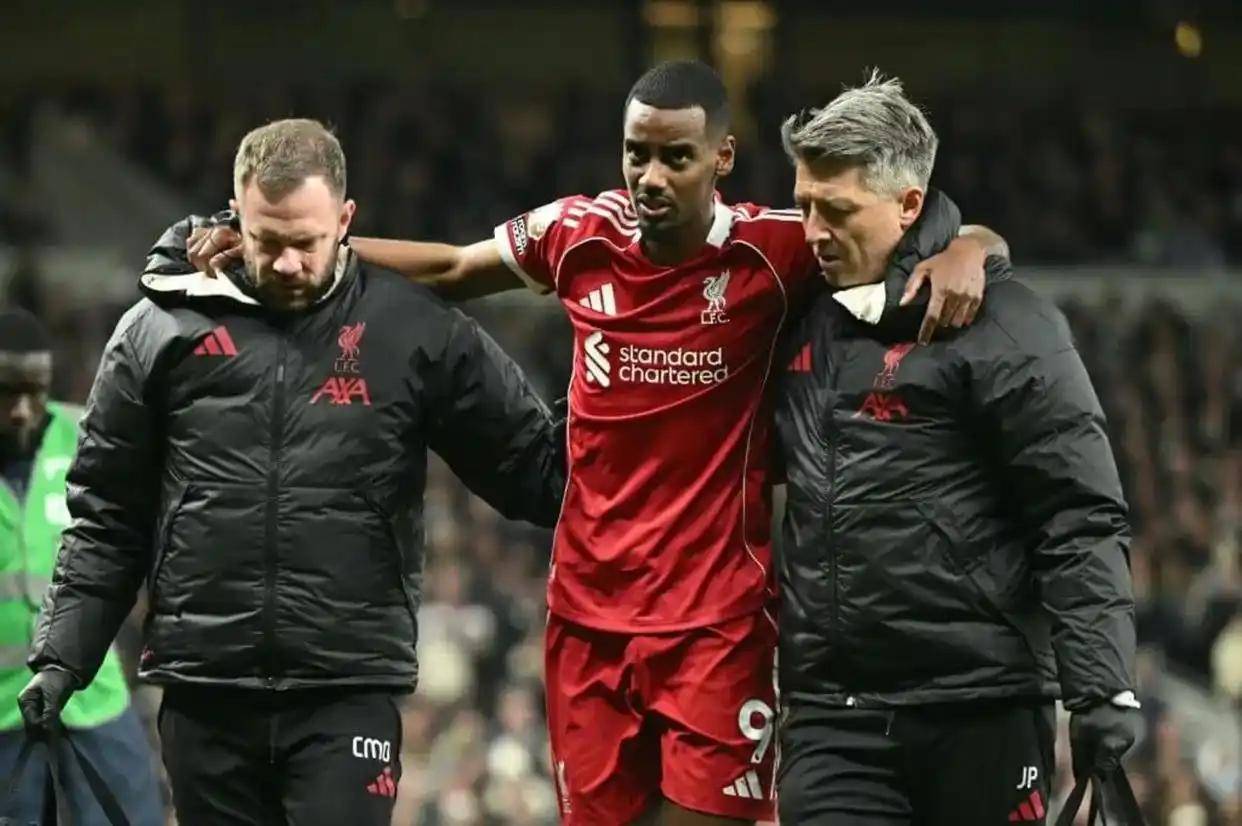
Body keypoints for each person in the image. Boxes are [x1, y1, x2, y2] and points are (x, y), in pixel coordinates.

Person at [179, 61, 1006, 826]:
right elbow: (457, 267)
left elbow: (907, 221)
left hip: (717, 622)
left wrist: (974, 246)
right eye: (636, 153)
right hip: (587, 616)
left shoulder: (775, 250)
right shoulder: (578, 232)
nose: (651, 176)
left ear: (721, 158)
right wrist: (319, 247)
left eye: (676, 157)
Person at [17, 118, 565, 826]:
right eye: (265, 241)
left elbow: (537, 474)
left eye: (305, 244)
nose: (284, 264)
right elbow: (107, 517)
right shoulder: (157, 330)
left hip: (346, 694)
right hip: (205, 692)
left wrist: (615, 371)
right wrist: (61, 659)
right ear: (234, 218)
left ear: (346, 220)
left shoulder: (413, 328)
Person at [772, 73, 1140, 826]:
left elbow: (1077, 514)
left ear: (908, 204)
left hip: (982, 707)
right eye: (803, 204)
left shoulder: (1008, 324)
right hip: (833, 716)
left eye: (836, 210)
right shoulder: (795, 307)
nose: (811, 231)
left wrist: (1102, 687)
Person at [0, 308, 164, 825]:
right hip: (2, 711)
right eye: (5, 394)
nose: (22, 410)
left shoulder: (87, 434)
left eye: (35, 391)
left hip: (92, 693)